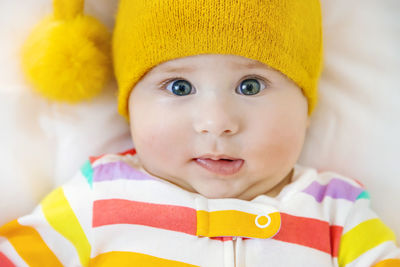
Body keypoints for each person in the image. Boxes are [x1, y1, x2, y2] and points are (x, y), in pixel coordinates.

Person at [1, 0, 399, 266]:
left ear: (306, 107)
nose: (216, 121)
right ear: (130, 108)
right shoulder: (96, 199)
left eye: (251, 86)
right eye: (178, 87)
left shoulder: (336, 214)